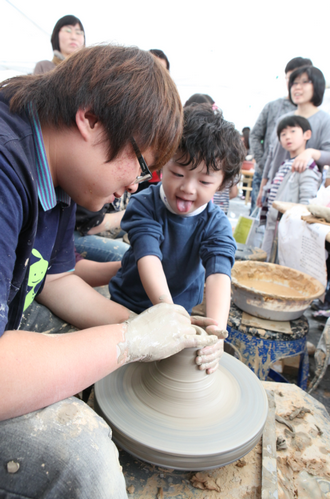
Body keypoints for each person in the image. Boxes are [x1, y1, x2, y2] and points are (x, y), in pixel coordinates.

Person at [0, 45, 222, 498]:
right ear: (91, 119)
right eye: (143, 167)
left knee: (84, 338)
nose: (136, 186)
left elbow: (56, 281)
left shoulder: (57, 175)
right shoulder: (6, 165)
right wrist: (129, 342)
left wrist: (152, 328)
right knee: (84, 454)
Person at [109, 104, 246, 372]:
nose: (188, 188)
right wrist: (166, 316)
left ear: (222, 184)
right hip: (129, 306)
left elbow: (219, 275)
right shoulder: (145, 204)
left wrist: (216, 334)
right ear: (163, 163)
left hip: (182, 312)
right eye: (178, 173)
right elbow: (148, 256)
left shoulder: (215, 223)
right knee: (118, 372)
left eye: (205, 182)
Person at [257, 65, 330, 214]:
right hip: (274, 188)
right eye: (294, 83)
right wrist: (263, 187)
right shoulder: (283, 119)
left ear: (317, 85)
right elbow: (272, 156)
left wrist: (310, 153)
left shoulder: (324, 120)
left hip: (301, 192)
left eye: (304, 82)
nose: (297, 87)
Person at [250, 57, 313, 213]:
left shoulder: (313, 113)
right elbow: (255, 135)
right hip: (265, 175)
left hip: (296, 178)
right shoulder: (273, 106)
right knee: (257, 220)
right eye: (291, 79)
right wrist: (264, 162)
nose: (295, 85)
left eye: (302, 80)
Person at [261, 115, 322, 258]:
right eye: (283, 134)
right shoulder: (286, 163)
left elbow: (307, 202)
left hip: (289, 229)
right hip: (275, 225)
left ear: (307, 134)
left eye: (293, 131)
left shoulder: (306, 165)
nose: (288, 137)